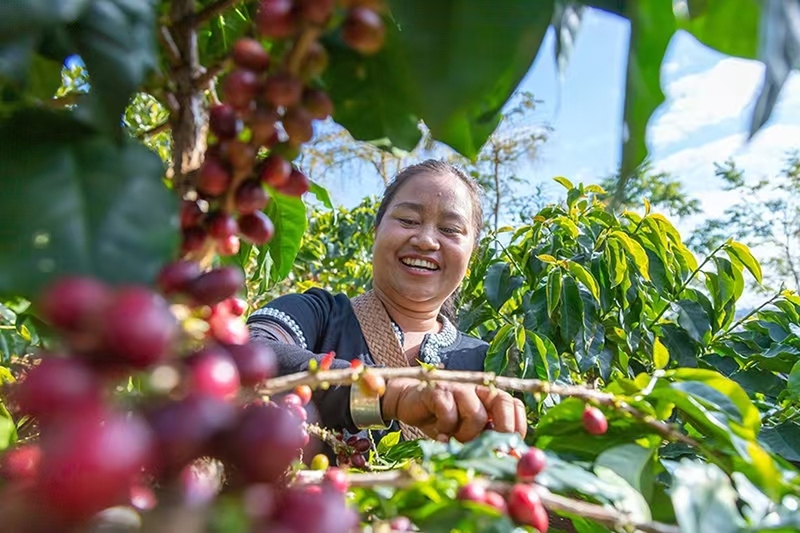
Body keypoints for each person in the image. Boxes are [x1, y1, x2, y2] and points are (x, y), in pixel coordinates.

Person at [246, 159, 527, 445]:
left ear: (472, 257)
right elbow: (247, 353)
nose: (426, 241)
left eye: (450, 229)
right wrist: (390, 395)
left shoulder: (490, 361)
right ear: (376, 231)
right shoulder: (319, 315)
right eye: (408, 220)